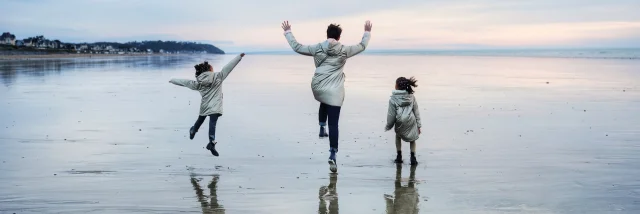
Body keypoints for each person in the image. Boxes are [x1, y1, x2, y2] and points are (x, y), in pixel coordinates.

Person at [281, 20, 373, 172]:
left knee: (324, 98)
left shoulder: (317, 48)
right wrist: (367, 32)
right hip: (335, 90)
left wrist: (288, 32)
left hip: (318, 86)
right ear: (339, 37)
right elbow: (362, 46)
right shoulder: (344, 50)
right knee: (334, 123)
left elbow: (297, 47)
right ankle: (332, 154)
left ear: (327, 34)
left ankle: (322, 126)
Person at [169, 53, 245, 156]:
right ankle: (211, 142)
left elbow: (184, 82)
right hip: (216, 106)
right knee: (212, 124)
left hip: (204, 107)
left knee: (200, 121)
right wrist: (239, 57)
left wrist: (172, 80)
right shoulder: (219, 76)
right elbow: (229, 66)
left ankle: (193, 131)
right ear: (210, 70)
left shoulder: (199, 83)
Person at [385, 77, 421, 165]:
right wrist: (419, 125)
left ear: (397, 86)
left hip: (400, 120)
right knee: (413, 139)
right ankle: (413, 158)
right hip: (411, 120)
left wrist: (389, 125)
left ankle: (399, 156)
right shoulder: (411, 97)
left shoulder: (393, 99)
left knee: (398, 135)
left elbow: (391, 114)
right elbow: (416, 111)